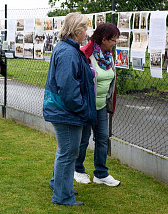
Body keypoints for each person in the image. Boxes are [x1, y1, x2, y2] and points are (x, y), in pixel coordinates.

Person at [43, 12, 96, 206]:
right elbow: (67, 87)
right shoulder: (68, 52)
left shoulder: (67, 48)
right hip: (66, 111)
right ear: (78, 30)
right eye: (85, 29)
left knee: (67, 151)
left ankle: (59, 184)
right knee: (68, 152)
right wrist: (83, 109)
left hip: (65, 110)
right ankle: (62, 196)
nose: (86, 33)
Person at [74, 23, 121, 186]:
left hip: (101, 105)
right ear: (104, 39)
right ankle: (78, 170)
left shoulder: (109, 56)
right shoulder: (85, 54)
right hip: (87, 105)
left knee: (102, 138)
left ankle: (101, 173)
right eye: (113, 40)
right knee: (83, 139)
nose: (115, 43)